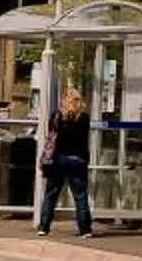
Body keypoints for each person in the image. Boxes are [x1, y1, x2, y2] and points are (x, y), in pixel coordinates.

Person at [34, 90, 96, 238]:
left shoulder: (57, 116)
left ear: (64, 101)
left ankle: (44, 226)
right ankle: (85, 229)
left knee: (51, 194)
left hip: (58, 159)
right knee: (80, 196)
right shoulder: (84, 118)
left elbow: (52, 137)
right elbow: (84, 138)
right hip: (78, 160)